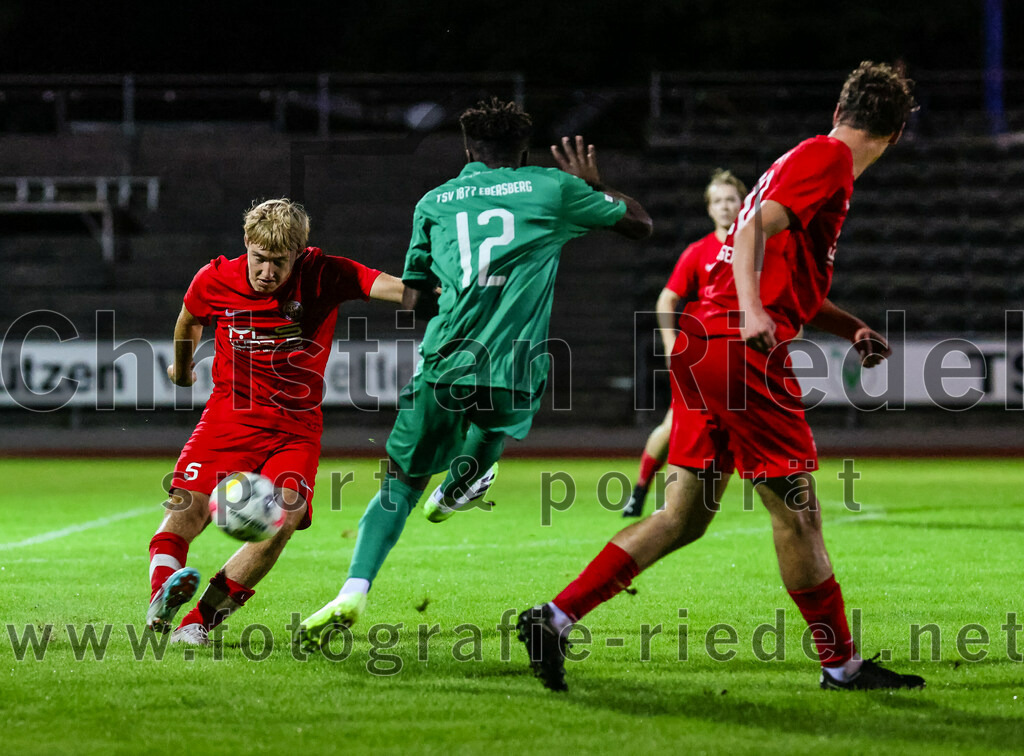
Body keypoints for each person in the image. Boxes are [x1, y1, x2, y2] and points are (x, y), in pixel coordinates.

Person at [518, 61, 925, 691]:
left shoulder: (802, 158)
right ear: (896, 134)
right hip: (739, 350)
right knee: (798, 516)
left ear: (839, 110)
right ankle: (841, 665)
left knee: (682, 517)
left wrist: (850, 329)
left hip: (704, 344)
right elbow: (752, 236)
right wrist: (756, 311)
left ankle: (555, 616)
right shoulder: (831, 162)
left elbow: (776, 267)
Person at [295, 98, 653, 649]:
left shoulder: (435, 202)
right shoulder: (551, 188)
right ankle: (466, 479)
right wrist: (595, 185)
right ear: (524, 150)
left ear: (467, 150)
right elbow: (639, 224)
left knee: (400, 486)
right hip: (515, 363)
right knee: (494, 424)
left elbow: (416, 296)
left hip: (447, 359)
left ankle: (353, 589)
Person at [146, 198, 405, 645]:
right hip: (229, 416)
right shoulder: (215, 278)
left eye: (279, 263)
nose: (267, 272)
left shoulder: (323, 274)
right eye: (260, 259)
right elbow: (189, 318)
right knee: (185, 508)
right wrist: (184, 369)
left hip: (294, 428)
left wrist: (448, 295)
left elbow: (392, 288)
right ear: (247, 243)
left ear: (299, 253)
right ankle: (161, 599)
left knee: (283, 521)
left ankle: (199, 623)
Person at [622, 169, 746, 518]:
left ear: (743, 204)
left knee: (745, 426)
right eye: (718, 201)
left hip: (742, 355)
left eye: (730, 200)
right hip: (703, 356)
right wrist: (670, 343)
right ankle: (642, 490)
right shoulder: (699, 251)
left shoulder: (756, 249)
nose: (724, 207)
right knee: (675, 424)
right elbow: (667, 299)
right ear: (709, 209)